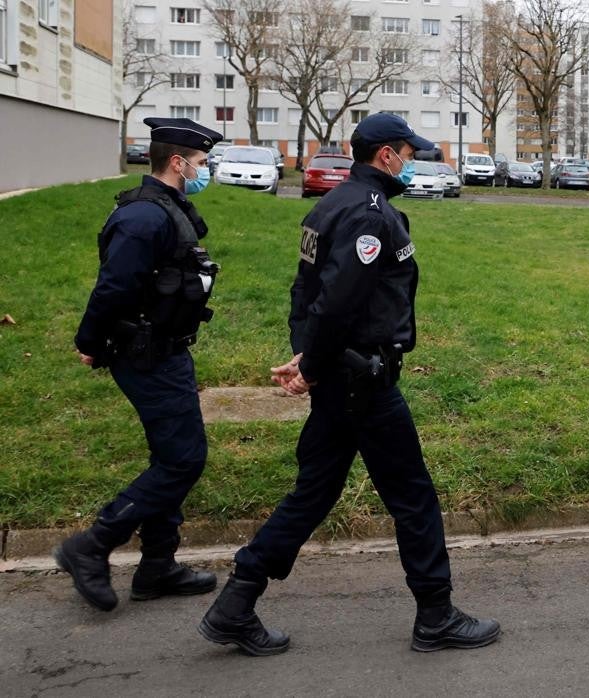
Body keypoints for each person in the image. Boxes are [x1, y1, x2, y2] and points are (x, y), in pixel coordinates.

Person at [198, 113, 499, 656]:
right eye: (409, 153)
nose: (413, 161)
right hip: (364, 383)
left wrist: (306, 353)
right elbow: (335, 300)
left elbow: (303, 292)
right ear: (386, 155)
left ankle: (235, 603)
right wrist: (311, 364)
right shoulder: (367, 214)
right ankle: (436, 615)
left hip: (341, 375)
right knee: (413, 497)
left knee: (314, 492)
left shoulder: (330, 205)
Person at [55, 117, 224, 612]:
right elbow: (113, 288)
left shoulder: (166, 209)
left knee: (170, 457)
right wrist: (90, 340)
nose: (204, 170)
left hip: (166, 349)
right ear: (177, 162)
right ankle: (90, 546)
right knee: (183, 460)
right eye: (200, 163)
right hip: (146, 356)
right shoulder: (144, 218)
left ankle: (157, 567)